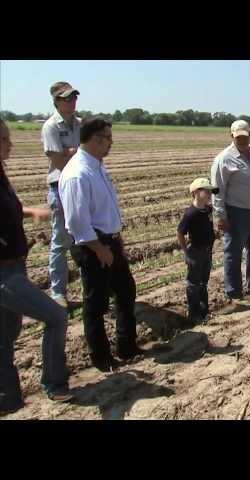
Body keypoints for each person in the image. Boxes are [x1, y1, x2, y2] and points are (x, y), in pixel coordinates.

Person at [0, 119, 73, 415]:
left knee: (5, 339)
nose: (10, 143)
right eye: (4, 139)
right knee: (56, 316)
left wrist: (30, 212)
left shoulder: (1, 175)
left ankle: (8, 401)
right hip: (4, 274)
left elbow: (9, 211)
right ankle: (55, 385)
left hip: (16, 267)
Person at [59, 118, 143, 373]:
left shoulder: (97, 166)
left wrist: (117, 239)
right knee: (96, 304)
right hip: (92, 245)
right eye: (107, 137)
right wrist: (99, 248)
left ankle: (127, 347)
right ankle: (101, 357)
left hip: (109, 241)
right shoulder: (77, 174)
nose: (111, 142)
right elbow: (76, 221)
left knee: (126, 292)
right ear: (94, 139)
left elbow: (104, 210)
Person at [211, 120, 250, 300]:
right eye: (238, 137)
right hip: (236, 212)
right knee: (233, 253)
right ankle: (233, 291)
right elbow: (217, 189)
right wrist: (220, 215)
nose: (242, 140)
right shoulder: (224, 159)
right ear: (232, 136)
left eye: (245, 136)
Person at [41, 81, 81, 309]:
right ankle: (58, 293)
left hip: (80, 187)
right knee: (60, 241)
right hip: (60, 187)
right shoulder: (50, 127)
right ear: (57, 101)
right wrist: (76, 153)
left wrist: (72, 153)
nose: (73, 100)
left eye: (74, 96)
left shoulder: (81, 124)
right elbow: (57, 160)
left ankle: (92, 288)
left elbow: (91, 154)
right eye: (67, 97)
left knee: (84, 237)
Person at [177, 178, 218, 325]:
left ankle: (204, 311)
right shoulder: (190, 214)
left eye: (210, 191)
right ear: (195, 193)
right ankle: (194, 314)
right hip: (195, 251)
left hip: (207, 251)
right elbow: (180, 233)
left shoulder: (208, 209)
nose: (209, 194)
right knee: (193, 284)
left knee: (203, 283)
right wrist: (186, 253)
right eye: (205, 191)